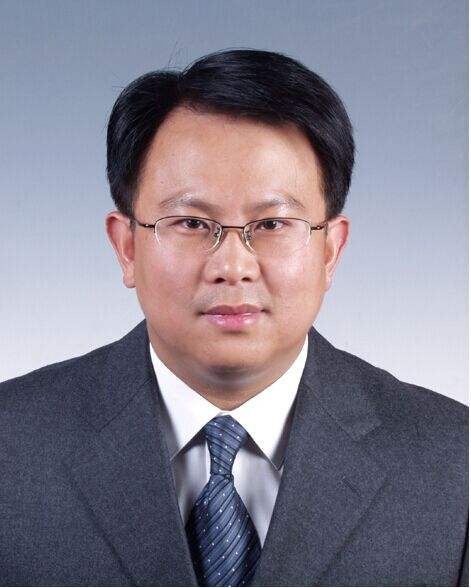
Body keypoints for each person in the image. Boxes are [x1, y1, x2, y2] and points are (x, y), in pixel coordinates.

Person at [0, 49, 467, 587]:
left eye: (271, 225)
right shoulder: (13, 446)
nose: (232, 267)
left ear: (330, 251)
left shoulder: (452, 462)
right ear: (127, 246)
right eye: (191, 223)